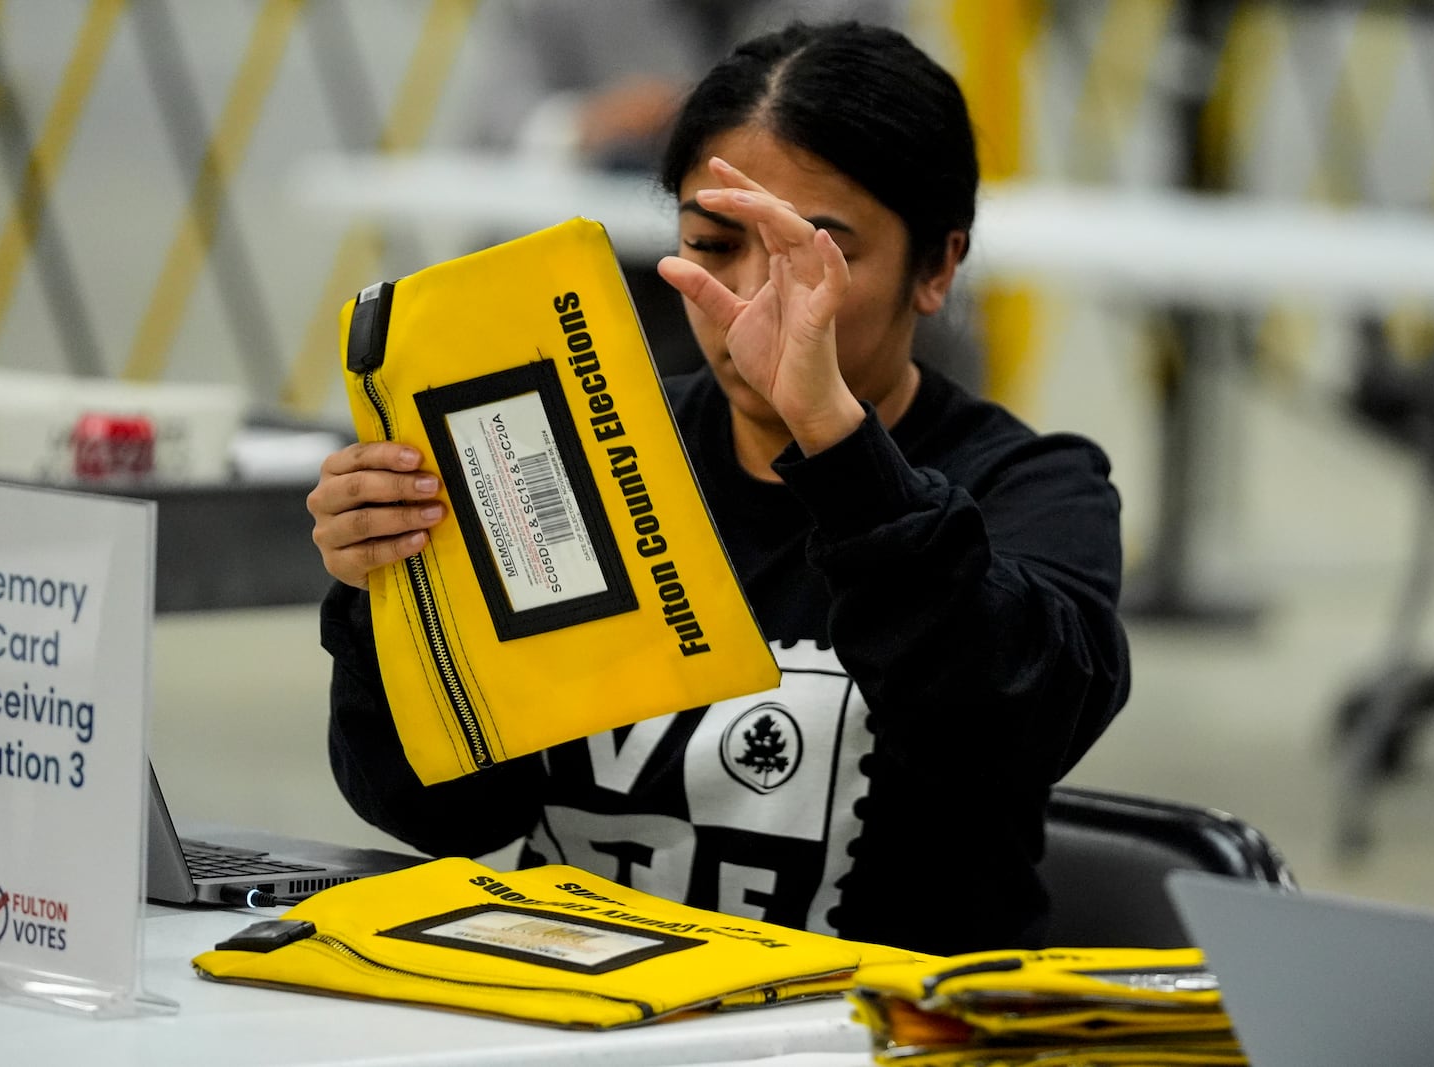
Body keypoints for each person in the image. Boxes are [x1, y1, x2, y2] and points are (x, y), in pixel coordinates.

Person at [308, 21, 1131, 956]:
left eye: (811, 258)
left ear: (937, 266)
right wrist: (391, 587)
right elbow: (439, 808)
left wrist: (835, 442)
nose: (751, 303)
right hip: (582, 1014)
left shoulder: (1033, 485)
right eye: (712, 242)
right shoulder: (593, 445)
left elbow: (1006, 728)